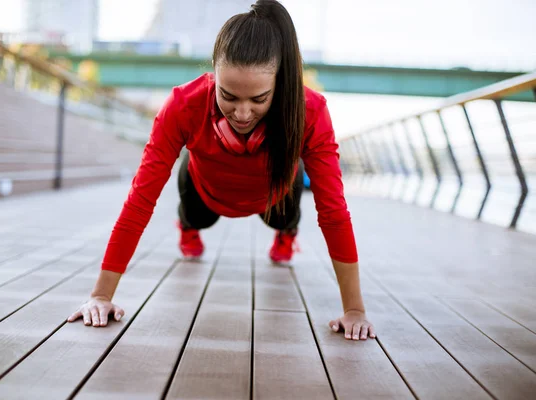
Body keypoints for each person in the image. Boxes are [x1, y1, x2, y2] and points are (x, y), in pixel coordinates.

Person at [68, 0, 376, 341]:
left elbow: (333, 210)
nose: (242, 114)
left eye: (258, 100)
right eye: (228, 96)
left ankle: (286, 234)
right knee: (194, 208)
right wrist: (101, 295)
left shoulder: (309, 111)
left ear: (279, 82)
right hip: (205, 192)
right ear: (214, 73)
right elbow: (140, 199)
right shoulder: (184, 105)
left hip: (273, 194)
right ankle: (188, 226)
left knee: (287, 201)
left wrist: (354, 310)